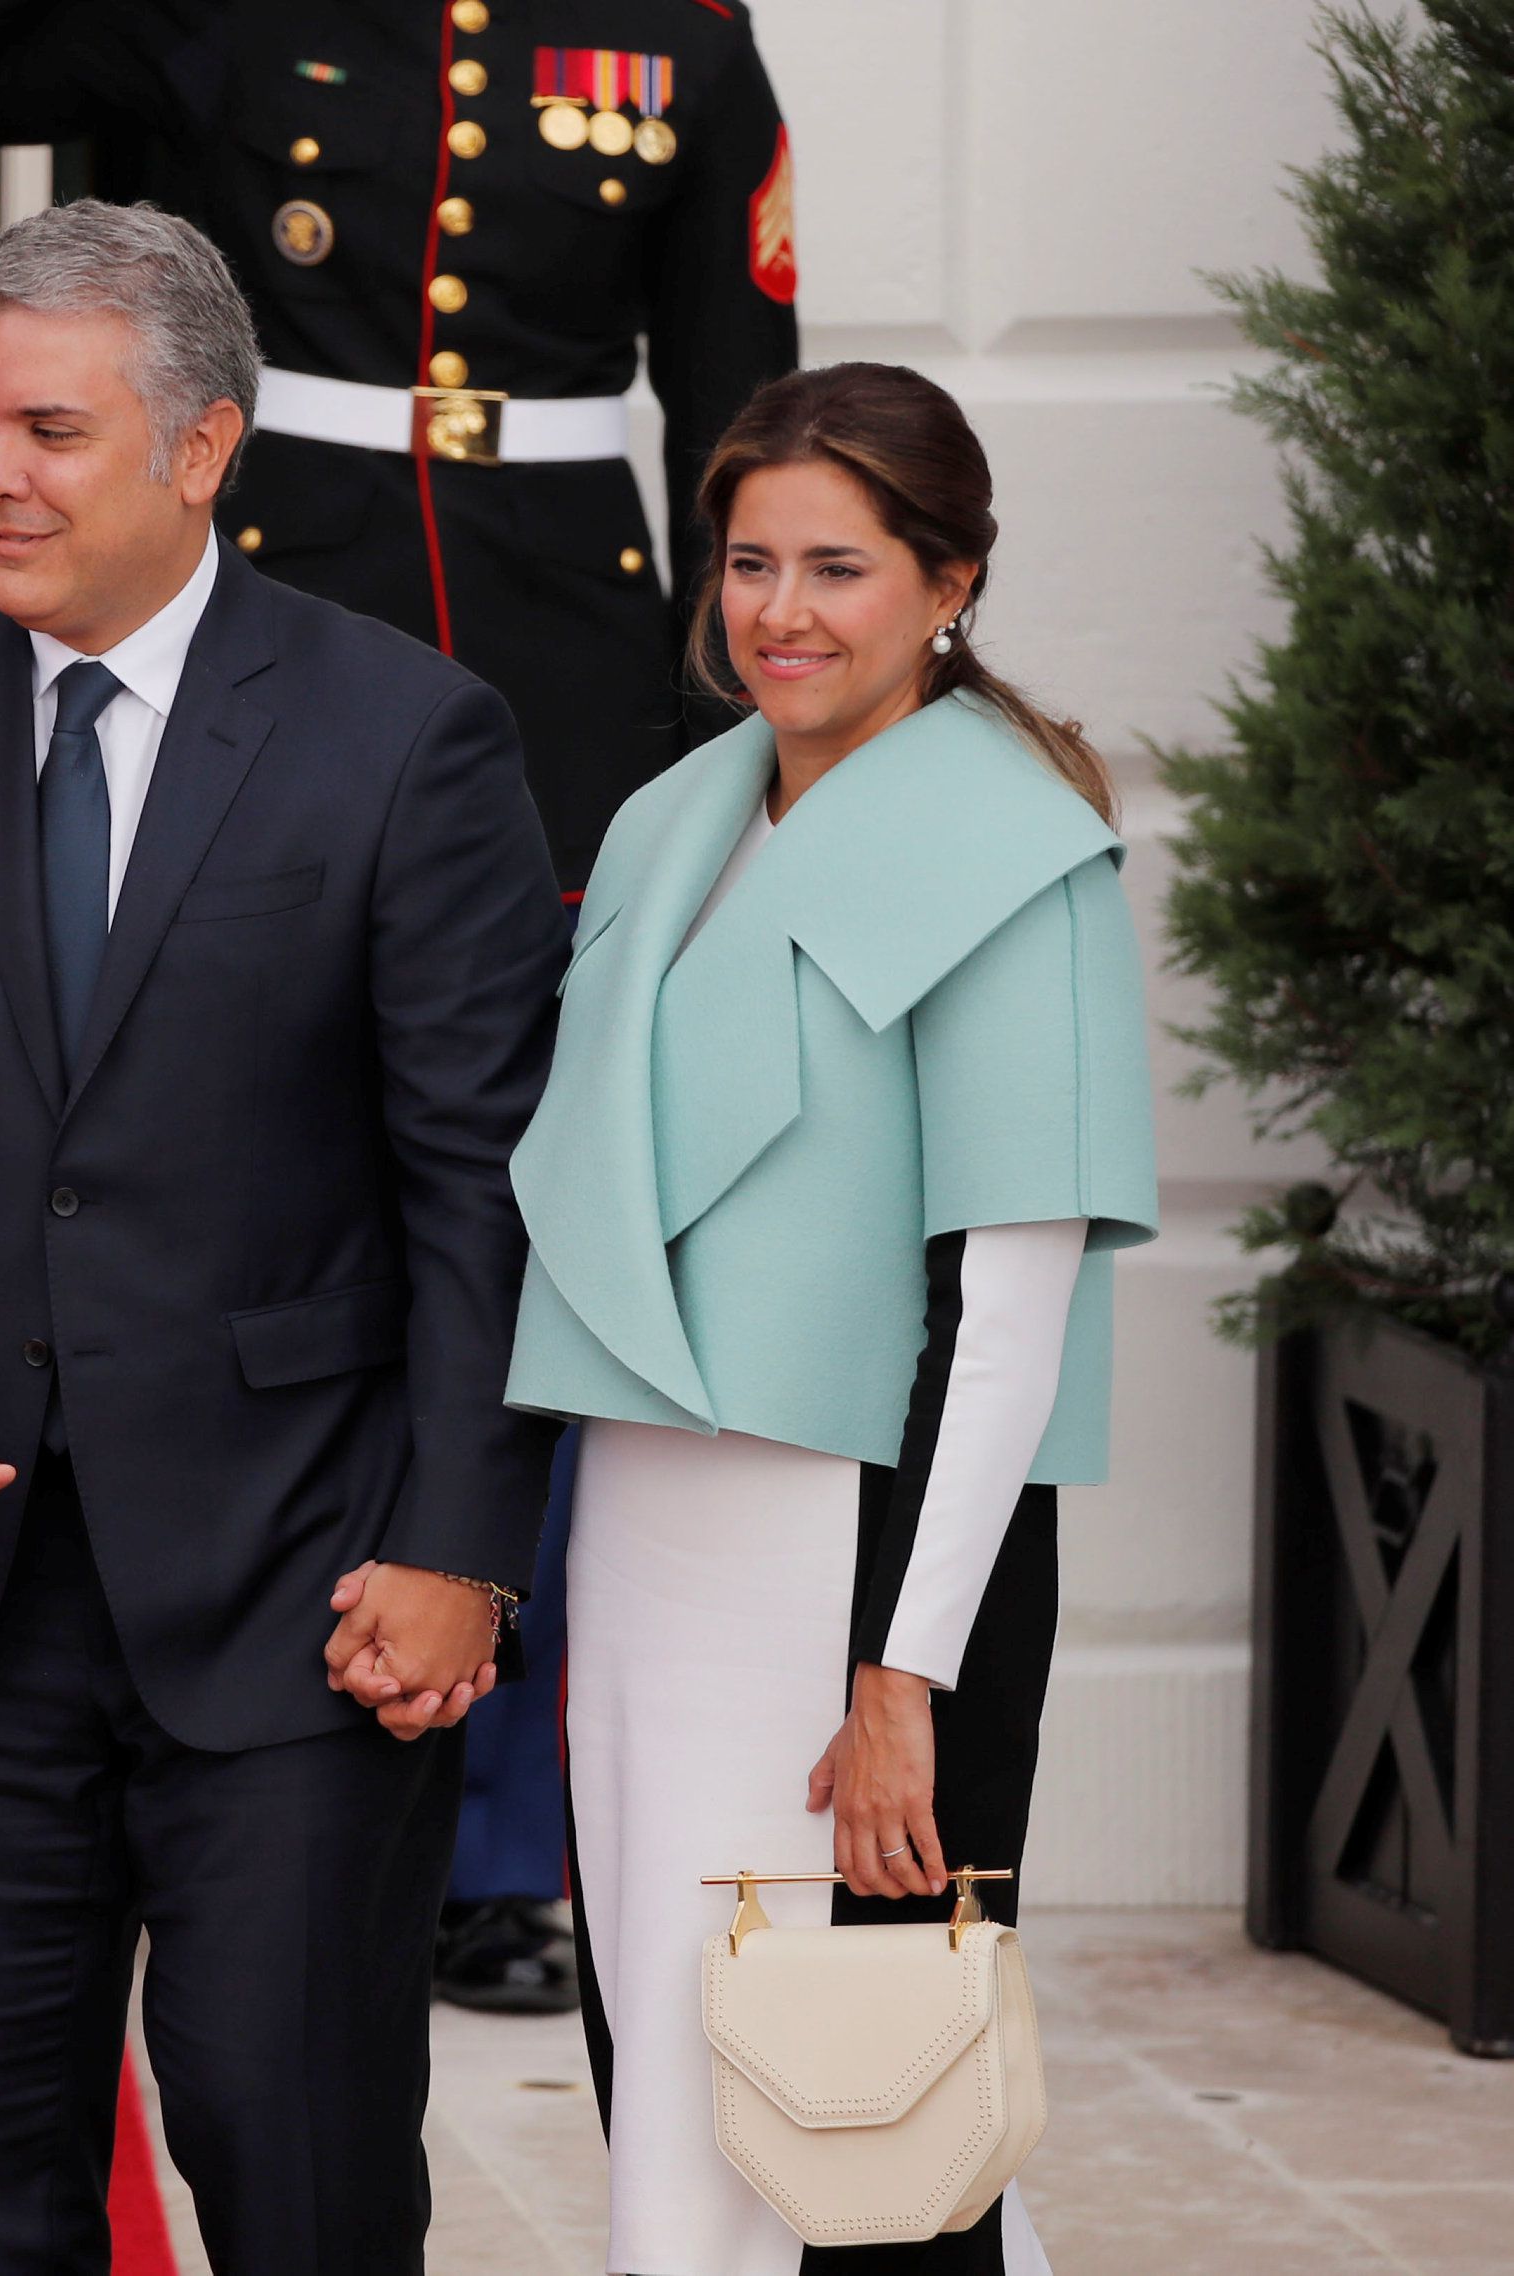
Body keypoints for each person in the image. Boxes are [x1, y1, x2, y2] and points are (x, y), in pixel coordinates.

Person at [0, 0, 805, 2009]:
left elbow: (739, 418)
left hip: (559, 686)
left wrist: (754, 777)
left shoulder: (677, 42)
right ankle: (194, 1706)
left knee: (510, 1226)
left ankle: (493, 1835)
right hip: (248, 636)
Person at [0, 197, 566, 2275]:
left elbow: (480, 1187)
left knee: (301, 2179)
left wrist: (460, 1549)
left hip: (303, 1596)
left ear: (202, 448)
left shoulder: (404, 735)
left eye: (50, 430)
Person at [507, 362, 1158, 2276]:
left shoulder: (1017, 851)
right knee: (678, 2079)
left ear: (951, 582)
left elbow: (1008, 1318)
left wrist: (904, 1687)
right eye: (749, 562)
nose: (779, 612)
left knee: (873, 2129)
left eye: (840, 568)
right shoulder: (678, 818)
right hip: (656, 1539)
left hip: (869, 1572)